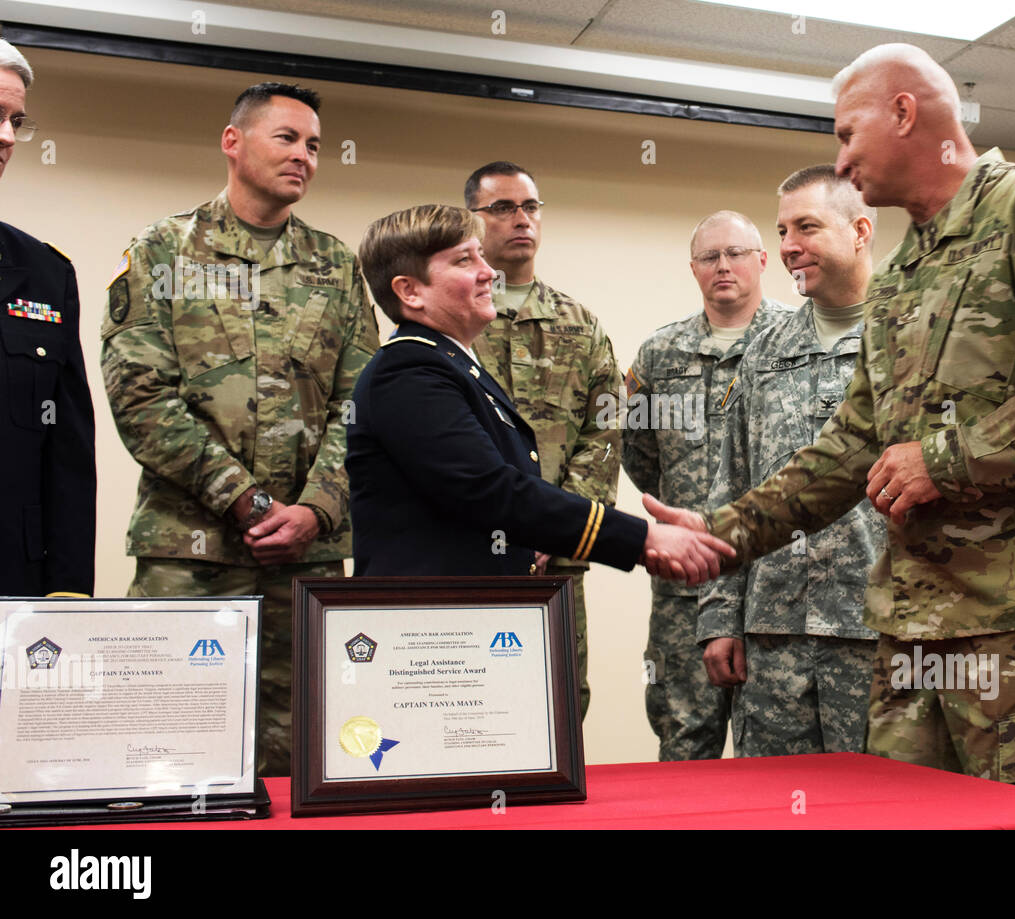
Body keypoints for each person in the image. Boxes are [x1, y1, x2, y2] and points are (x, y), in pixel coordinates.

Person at [646, 43, 1015, 809]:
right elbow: (851, 445)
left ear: (903, 112)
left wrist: (950, 458)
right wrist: (722, 532)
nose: (842, 158)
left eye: (847, 134)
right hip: (918, 631)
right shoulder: (901, 278)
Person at [101, 82, 379, 776]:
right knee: (167, 751)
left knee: (302, 761)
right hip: (190, 551)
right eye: (286, 138)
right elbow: (140, 397)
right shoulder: (162, 248)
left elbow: (366, 404)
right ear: (234, 141)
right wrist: (247, 500)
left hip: (306, 560)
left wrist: (316, 508)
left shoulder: (336, 264)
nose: (304, 157)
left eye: (314, 145)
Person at [346, 203, 733, 587]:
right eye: (465, 260)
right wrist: (643, 538)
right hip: (428, 629)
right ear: (410, 291)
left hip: (466, 616)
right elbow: (490, 490)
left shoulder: (450, 364)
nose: (488, 273)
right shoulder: (409, 372)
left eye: (481, 255)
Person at [699, 166, 886, 756]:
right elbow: (728, 485)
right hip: (772, 630)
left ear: (859, 230)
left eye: (806, 226)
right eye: (781, 231)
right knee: (774, 807)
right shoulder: (764, 348)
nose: (787, 247)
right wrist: (720, 617)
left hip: (878, 630)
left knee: (886, 809)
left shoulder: (910, 337)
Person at [622, 210, 795, 761]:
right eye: (709, 257)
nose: (724, 266)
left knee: (776, 748)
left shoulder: (797, 343)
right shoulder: (659, 355)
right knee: (684, 737)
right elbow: (639, 456)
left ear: (763, 261)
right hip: (688, 583)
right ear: (693, 269)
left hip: (777, 578)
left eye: (737, 253)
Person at [465, 161, 621, 719]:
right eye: (502, 208)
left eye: (530, 207)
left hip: (554, 562)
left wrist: (558, 524)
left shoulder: (580, 325)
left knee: (557, 706)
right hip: (464, 555)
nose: (520, 219)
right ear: (473, 220)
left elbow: (604, 433)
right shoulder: (448, 318)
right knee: (462, 706)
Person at [0, 40, 95, 598]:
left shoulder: (44, 273)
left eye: (17, 120)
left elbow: (68, 458)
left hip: (14, 592)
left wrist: (67, 599)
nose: (8, 138)